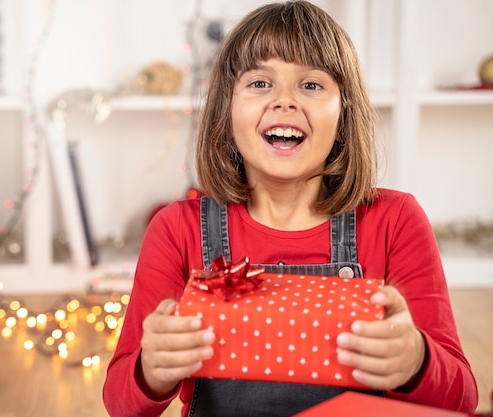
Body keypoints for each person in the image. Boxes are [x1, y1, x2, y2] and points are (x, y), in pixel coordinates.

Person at [103, 1, 479, 416]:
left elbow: (461, 399)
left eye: (311, 85)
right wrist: (151, 370)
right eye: (260, 83)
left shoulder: (395, 221)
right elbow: (121, 403)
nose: (284, 101)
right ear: (227, 110)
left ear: (344, 114)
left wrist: (416, 361)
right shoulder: (178, 230)